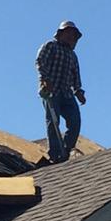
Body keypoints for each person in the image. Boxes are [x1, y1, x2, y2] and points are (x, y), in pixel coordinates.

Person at [36, 20, 86, 163]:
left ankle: (66, 149)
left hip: (67, 94)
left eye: (74, 36)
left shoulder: (72, 56)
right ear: (61, 34)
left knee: (75, 121)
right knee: (53, 120)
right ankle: (55, 153)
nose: (72, 38)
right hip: (51, 91)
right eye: (69, 34)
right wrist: (44, 79)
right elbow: (40, 62)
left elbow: (76, 75)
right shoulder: (51, 46)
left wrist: (78, 91)